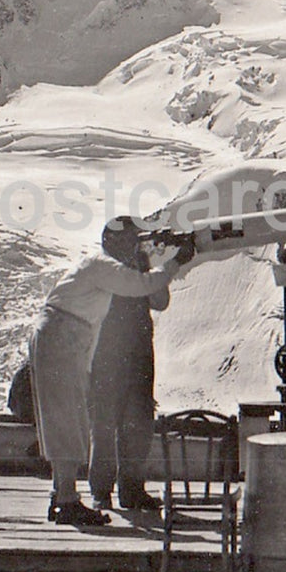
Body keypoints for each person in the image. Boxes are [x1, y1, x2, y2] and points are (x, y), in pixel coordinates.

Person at [29, 218, 189, 526]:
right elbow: (143, 286)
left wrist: (149, 264)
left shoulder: (103, 266)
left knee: (69, 419)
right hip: (80, 342)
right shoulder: (106, 268)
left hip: (81, 340)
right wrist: (174, 263)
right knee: (75, 420)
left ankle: (63, 496)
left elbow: (156, 297)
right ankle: (71, 499)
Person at [86, 267, 167, 512]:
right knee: (104, 424)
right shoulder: (105, 267)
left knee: (138, 424)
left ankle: (132, 491)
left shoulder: (143, 269)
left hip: (139, 353)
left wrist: (154, 271)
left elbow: (161, 302)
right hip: (108, 352)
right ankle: (101, 491)